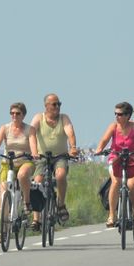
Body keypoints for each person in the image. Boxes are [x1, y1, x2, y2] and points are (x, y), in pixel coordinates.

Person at [95, 101, 134, 227]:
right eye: (115, 114)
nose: (117, 116)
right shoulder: (113, 126)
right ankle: (112, 215)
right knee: (116, 182)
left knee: (132, 185)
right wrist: (99, 149)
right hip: (116, 158)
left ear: (128, 115)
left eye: (120, 114)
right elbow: (104, 139)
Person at [0, 102, 39, 222]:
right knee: (3, 195)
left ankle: (26, 202)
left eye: (17, 113)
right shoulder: (5, 128)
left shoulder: (30, 129)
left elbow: (33, 142)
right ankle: (3, 229)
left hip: (25, 161)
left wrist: (34, 153)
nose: (14, 116)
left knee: (22, 175)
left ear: (23, 115)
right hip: (8, 163)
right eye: (12, 113)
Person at [30, 93, 79, 229]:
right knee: (37, 183)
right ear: (46, 106)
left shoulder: (64, 118)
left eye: (59, 104)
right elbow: (32, 133)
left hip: (60, 156)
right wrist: (34, 152)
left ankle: (61, 204)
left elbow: (70, 132)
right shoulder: (38, 117)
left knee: (60, 175)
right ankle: (36, 219)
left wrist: (73, 147)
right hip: (41, 157)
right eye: (54, 104)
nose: (57, 107)